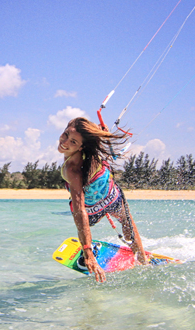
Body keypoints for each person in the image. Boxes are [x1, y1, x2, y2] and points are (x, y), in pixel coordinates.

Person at [59, 117, 147, 283]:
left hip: (92, 209)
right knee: (128, 226)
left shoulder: (72, 169)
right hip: (112, 197)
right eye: (65, 135)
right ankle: (143, 261)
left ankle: (92, 249)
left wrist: (88, 253)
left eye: (73, 142)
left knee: (81, 219)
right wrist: (101, 132)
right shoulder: (90, 147)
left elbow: (80, 212)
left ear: (82, 146)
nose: (65, 142)